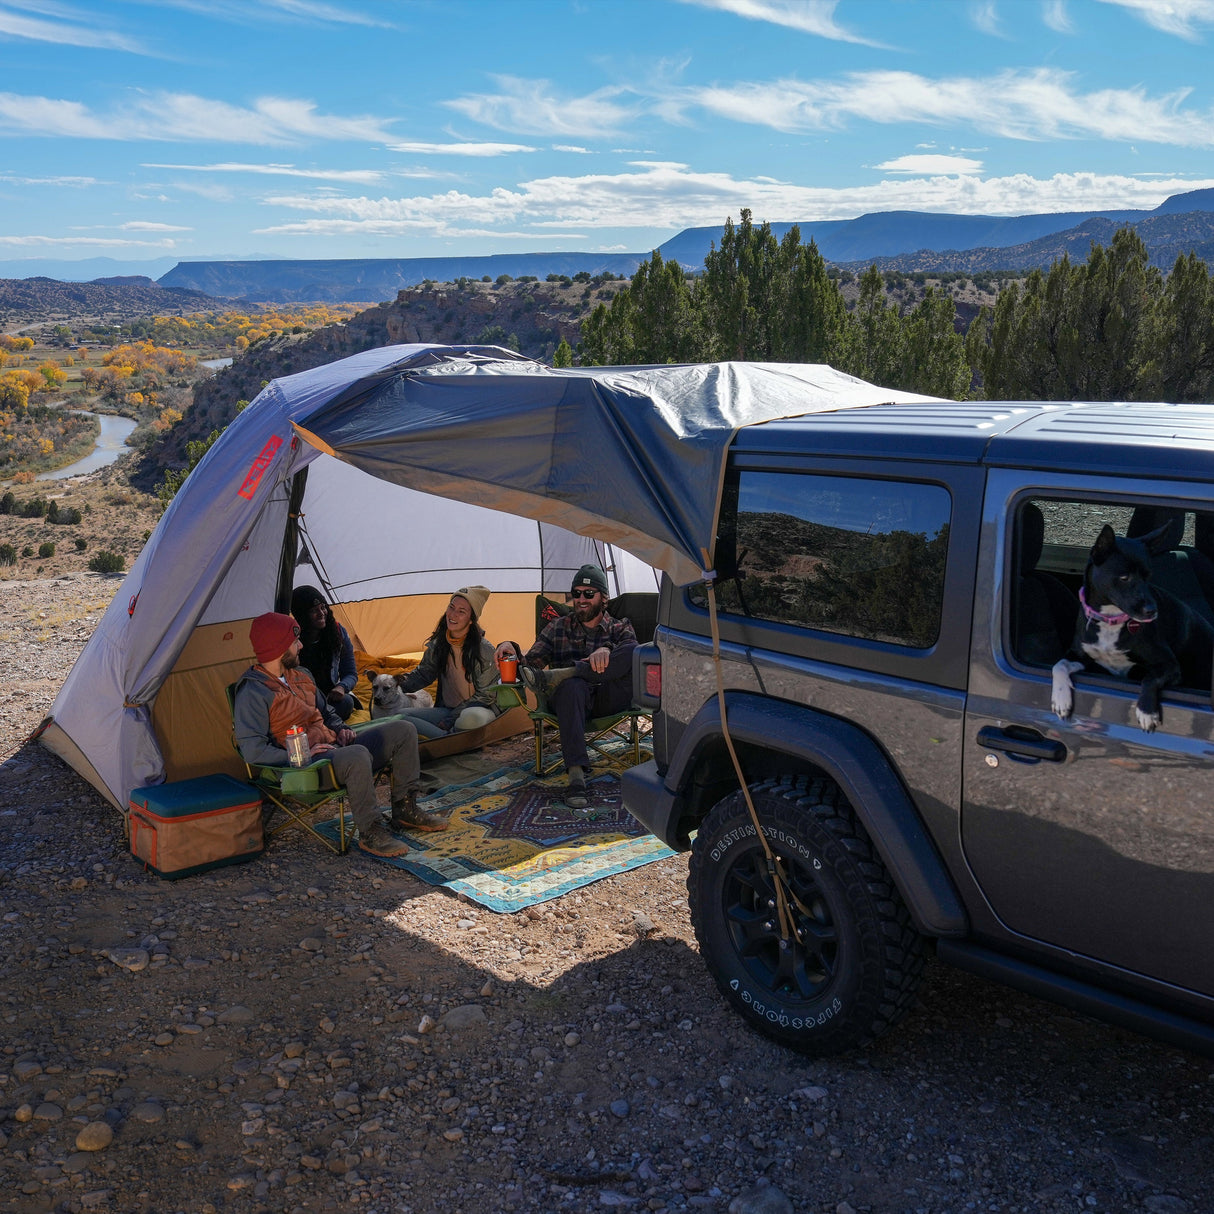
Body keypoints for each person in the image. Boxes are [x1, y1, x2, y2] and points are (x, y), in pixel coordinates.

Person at [233, 611, 448, 858]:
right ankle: (370, 831)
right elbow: (252, 750)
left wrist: (341, 729)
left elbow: (327, 713)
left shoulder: (301, 675)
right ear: (278, 647)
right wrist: (298, 756)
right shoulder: (253, 692)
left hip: (333, 749)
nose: (301, 645)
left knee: (403, 729)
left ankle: (405, 809)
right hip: (305, 766)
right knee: (357, 754)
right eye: (295, 642)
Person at [503, 564, 636, 809]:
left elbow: (631, 657)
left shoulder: (620, 627)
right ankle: (576, 775)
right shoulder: (557, 627)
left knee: (633, 652)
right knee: (572, 686)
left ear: (603, 598)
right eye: (576, 593)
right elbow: (531, 666)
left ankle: (572, 670)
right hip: (570, 702)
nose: (581, 599)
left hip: (608, 699)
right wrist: (510, 647)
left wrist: (608, 649)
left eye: (588, 593)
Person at [393, 586, 502, 739]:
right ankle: (448, 738)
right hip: (448, 709)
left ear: (471, 620)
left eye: (461, 611)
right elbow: (424, 673)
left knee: (471, 719)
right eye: (451, 607)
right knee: (398, 716)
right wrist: (394, 684)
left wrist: (451, 719)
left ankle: (446, 737)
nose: (453, 615)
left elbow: (485, 696)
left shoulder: (484, 650)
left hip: (478, 709)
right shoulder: (439, 643)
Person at [290, 585, 360, 721]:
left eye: (323, 607)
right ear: (302, 615)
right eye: (314, 611)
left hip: (329, 697)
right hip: (303, 699)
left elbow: (350, 673)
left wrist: (341, 687)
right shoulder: (292, 641)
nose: (322, 613)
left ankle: (319, 721)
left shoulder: (337, 632)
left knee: (346, 703)